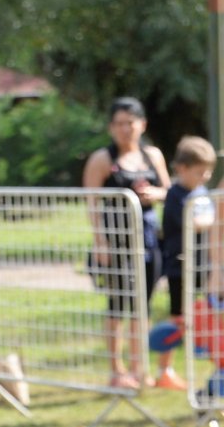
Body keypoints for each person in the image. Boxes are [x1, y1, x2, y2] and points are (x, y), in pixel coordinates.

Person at [83, 98, 171, 392]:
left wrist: (153, 195)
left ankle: (139, 367)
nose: (125, 129)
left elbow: (168, 191)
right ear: (111, 127)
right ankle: (116, 369)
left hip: (147, 239)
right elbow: (92, 202)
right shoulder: (102, 159)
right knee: (118, 306)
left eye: (130, 123)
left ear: (142, 124)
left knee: (142, 306)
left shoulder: (152, 155)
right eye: (119, 123)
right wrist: (100, 242)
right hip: (116, 240)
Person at [157, 136, 217, 390]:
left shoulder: (201, 192)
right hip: (180, 267)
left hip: (203, 264)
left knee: (209, 311)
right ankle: (164, 369)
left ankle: (208, 354)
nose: (205, 177)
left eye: (209, 172)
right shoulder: (175, 195)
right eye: (200, 171)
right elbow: (194, 222)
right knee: (177, 317)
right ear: (181, 168)